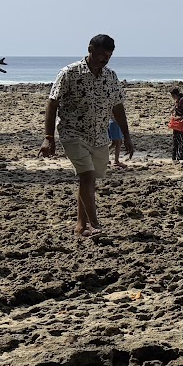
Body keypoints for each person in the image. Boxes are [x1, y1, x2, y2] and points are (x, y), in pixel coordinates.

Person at [41, 34, 131, 237]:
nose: (104, 59)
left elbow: (118, 107)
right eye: (101, 55)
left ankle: (81, 226)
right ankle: (95, 224)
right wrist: (49, 136)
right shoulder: (69, 73)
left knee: (88, 180)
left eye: (108, 56)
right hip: (72, 132)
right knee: (87, 176)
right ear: (90, 49)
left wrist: (127, 136)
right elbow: (52, 103)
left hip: (99, 135)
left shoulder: (111, 76)